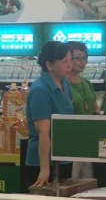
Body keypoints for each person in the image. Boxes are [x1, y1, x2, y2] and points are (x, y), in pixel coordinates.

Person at [25, 41, 74, 191]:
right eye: (64, 61)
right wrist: (45, 169)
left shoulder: (65, 84)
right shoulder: (40, 90)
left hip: (63, 157)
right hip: (43, 162)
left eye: (71, 60)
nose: (69, 65)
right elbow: (43, 133)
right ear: (49, 65)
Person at [66, 41, 99, 181]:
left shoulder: (87, 83)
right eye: (78, 58)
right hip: (71, 140)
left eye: (85, 58)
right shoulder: (62, 83)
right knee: (71, 180)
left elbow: (94, 108)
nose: (83, 62)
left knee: (87, 181)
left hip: (87, 139)